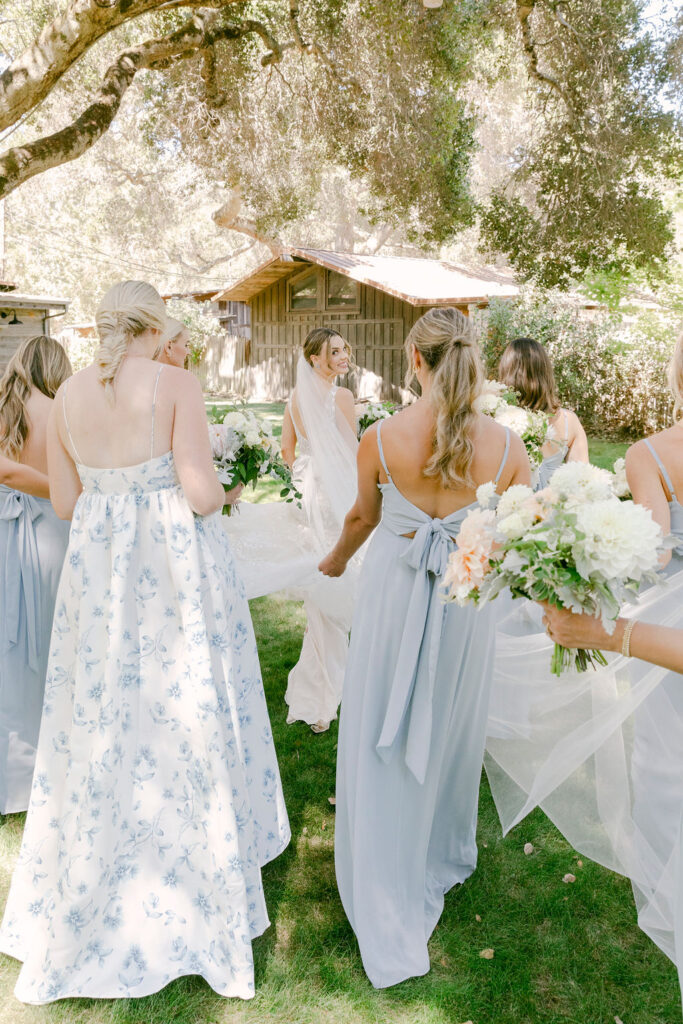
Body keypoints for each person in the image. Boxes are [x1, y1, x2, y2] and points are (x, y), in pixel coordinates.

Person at [0, 281, 289, 1004]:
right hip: (169, 570)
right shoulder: (174, 382)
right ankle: (188, 861)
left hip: (98, 575)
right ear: (154, 327)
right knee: (179, 702)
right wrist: (220, 478)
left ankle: (101, 856)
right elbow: (200, 495)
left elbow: (66, 503)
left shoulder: (65, 398)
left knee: (98, 712)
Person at [320, 307, 530, 988]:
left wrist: (332, 562)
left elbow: (361, 517)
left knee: (382, 713)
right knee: (447, 717)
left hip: (394, 589)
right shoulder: (507, 445)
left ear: (415, 358)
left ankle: (384, 854)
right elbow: (520, 533)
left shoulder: (379, 438)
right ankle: (436, 847)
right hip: (465, 599)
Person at [485, 331, 683, 1005]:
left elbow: (655, 554)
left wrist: (590, 551)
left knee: (665, 767)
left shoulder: (650, 453)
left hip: (665, 626)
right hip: (663, 629)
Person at [223, 327, 359, 734]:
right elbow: (352, 449)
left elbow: (288, 450)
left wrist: (304, 477)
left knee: (321, 586)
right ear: (314, 359)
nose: (342, 355)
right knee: (340, 581)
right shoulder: (345, 398)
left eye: (343, 348)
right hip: (337, 490)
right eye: (334, 351)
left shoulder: (296, 398)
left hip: (307, 486)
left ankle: (320, 697)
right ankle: (332, 691)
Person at [0, 335, 72, 814]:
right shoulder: (64, 410)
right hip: (52, 531)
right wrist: (61, 492)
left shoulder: (8, 406)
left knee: (14, 646)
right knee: (51, 645)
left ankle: (17, 773)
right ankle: (51, 769)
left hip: (9, 531)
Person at [498, 337, 588, 489]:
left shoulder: (496, 422)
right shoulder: (569, 421)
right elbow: (582, 480)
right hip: (554, 508)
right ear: (545, 373)